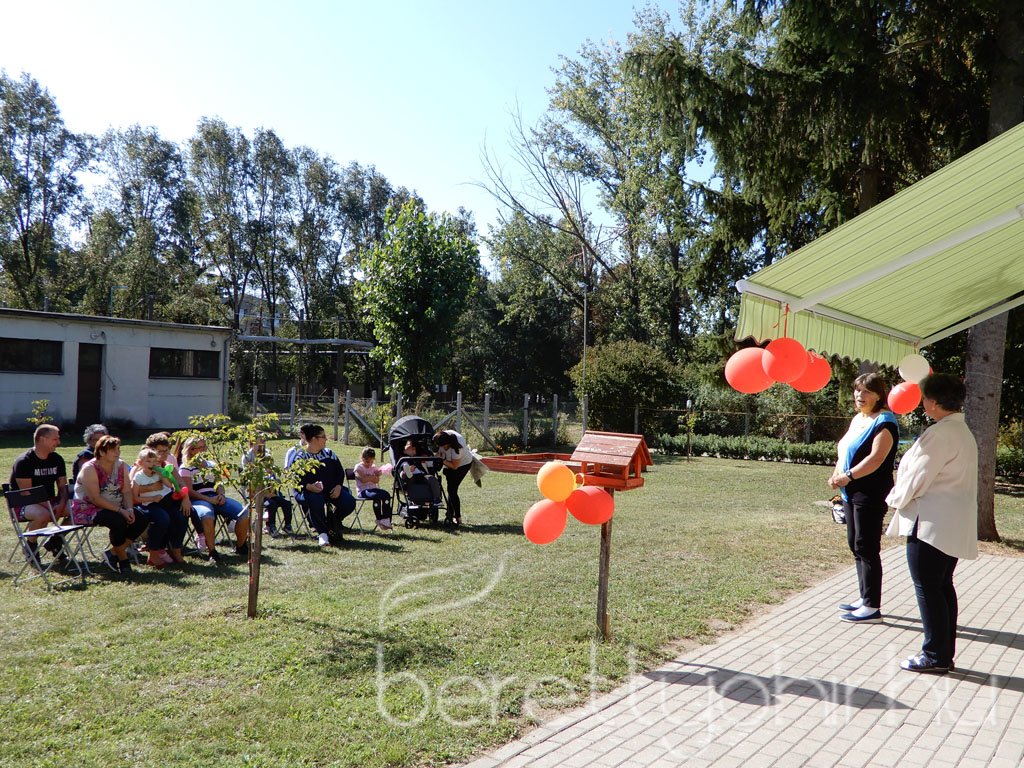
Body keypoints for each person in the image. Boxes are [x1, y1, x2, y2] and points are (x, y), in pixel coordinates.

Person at [885, 373, 978, 674]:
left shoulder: (940, 434)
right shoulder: (960, 431)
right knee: (941, 587)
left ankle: (935, 654)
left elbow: (918, 476)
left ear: (934, 403)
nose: (921, 402)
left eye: (925, 397)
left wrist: (896, 497)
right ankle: (942, 652)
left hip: (931, 524)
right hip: (948, 522)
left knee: (928, 588)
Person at [828, 373, 899, 624]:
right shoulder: (859, 419)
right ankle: (864, 597)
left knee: (866, 546)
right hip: (850, 491)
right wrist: (837, 473)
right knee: (855, 544)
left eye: (867, 391)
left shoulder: (885, 422)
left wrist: (847, 475)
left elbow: (876, 459)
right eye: (857, 390)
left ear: (879, 395)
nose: (860, 395)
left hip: (870, 491)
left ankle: (872, 607)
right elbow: (845, 450)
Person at [69, 435, 149, 574]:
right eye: (113, 450)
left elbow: (126, 490)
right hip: (88, 508)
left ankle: (113, 552)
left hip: (116, 506)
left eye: (118, 449)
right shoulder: (89, 468)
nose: (117, 452)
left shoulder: (121, 465)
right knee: (118, 521)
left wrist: (129, 509)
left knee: (141, 517)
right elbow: (95, 498)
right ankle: (123, 559)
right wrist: (121, 511)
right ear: (101, 452)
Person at [180, 436, 250, 563]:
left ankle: (241, 546)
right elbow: (189, 491)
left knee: (243, 512)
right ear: (191, 450)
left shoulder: (212, 464)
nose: (203, 450)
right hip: (198, 500)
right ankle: (212, 551)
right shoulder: (186, 468)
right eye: (199, 448)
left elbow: (219, 484)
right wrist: (208, 499)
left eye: (204, 447)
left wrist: (221, 495)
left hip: (215, 497)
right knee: (207, 514)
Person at [8, 424, 70, 562]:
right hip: (23, 503)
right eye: (55, 439)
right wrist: (50, 507)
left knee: (76, 510)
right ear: (42, 439)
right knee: (43, 515)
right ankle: (30, 545)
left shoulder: (56, 459)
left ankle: (56, 541)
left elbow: (62, 486)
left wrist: (61, 503)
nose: (58, 443)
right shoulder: (24, 461)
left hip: (50, 501)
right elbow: (27, 493)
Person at [287, 424, 354, 546]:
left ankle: (332, 522)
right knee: (315, 499)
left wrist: (339, 486)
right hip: (306, 492)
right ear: (313, 439)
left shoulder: (329, 453)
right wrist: (308, 486)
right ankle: (323, 534)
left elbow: (339, 472)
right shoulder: (300, 456)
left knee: (349, 502)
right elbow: (295, 479)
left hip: (331, 490)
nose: (326, 439)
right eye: (323, 436)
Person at [130, 447, 187, 567]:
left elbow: (169, 485)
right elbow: (135, 498)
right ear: (141, 463)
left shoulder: (157, 473)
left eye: (153, 462)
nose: (152, 464)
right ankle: (154, 553)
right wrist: (152, 498)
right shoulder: (138, 477)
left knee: (180, 517)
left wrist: (162, 475)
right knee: (163, 518)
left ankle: (175, 550)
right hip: (149, 504)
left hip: (165, 501)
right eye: (148, 462)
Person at [243, 437, 294, 538]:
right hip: (256, 493)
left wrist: (273, 476)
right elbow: (247, 477)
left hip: (270, 491)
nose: (263, 443)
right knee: (272, 505)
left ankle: (287, 526)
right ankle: (271, 527)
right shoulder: (247, 456)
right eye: (260, 441)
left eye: (264, 441)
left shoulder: (267, 454)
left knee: (287, 504)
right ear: (253, 443)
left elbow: (272, 473)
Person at [433, 429, 474, 526]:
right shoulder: (439, 437)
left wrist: (442, 459)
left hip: (462, 465)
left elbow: (454, 466)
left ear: (448, 444)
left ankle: (457, 517)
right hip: (449, 463)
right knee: (450, 489)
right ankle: (450, 514)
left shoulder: (457, 448)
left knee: (452, 490)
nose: (439, 448)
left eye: (441, 446)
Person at [353, 447, 393, 531]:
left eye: (371, 461)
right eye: (367, 461)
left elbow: (376, 480)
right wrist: (371, 478)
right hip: (363, 491)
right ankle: (379, 518)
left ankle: (385, 519)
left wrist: (377, 475)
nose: (369, 464)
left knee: (386, 495)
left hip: (373, 489)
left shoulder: (373, 467)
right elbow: (362, 479)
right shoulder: (358, 467)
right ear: (362, 458)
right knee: (376, 496)